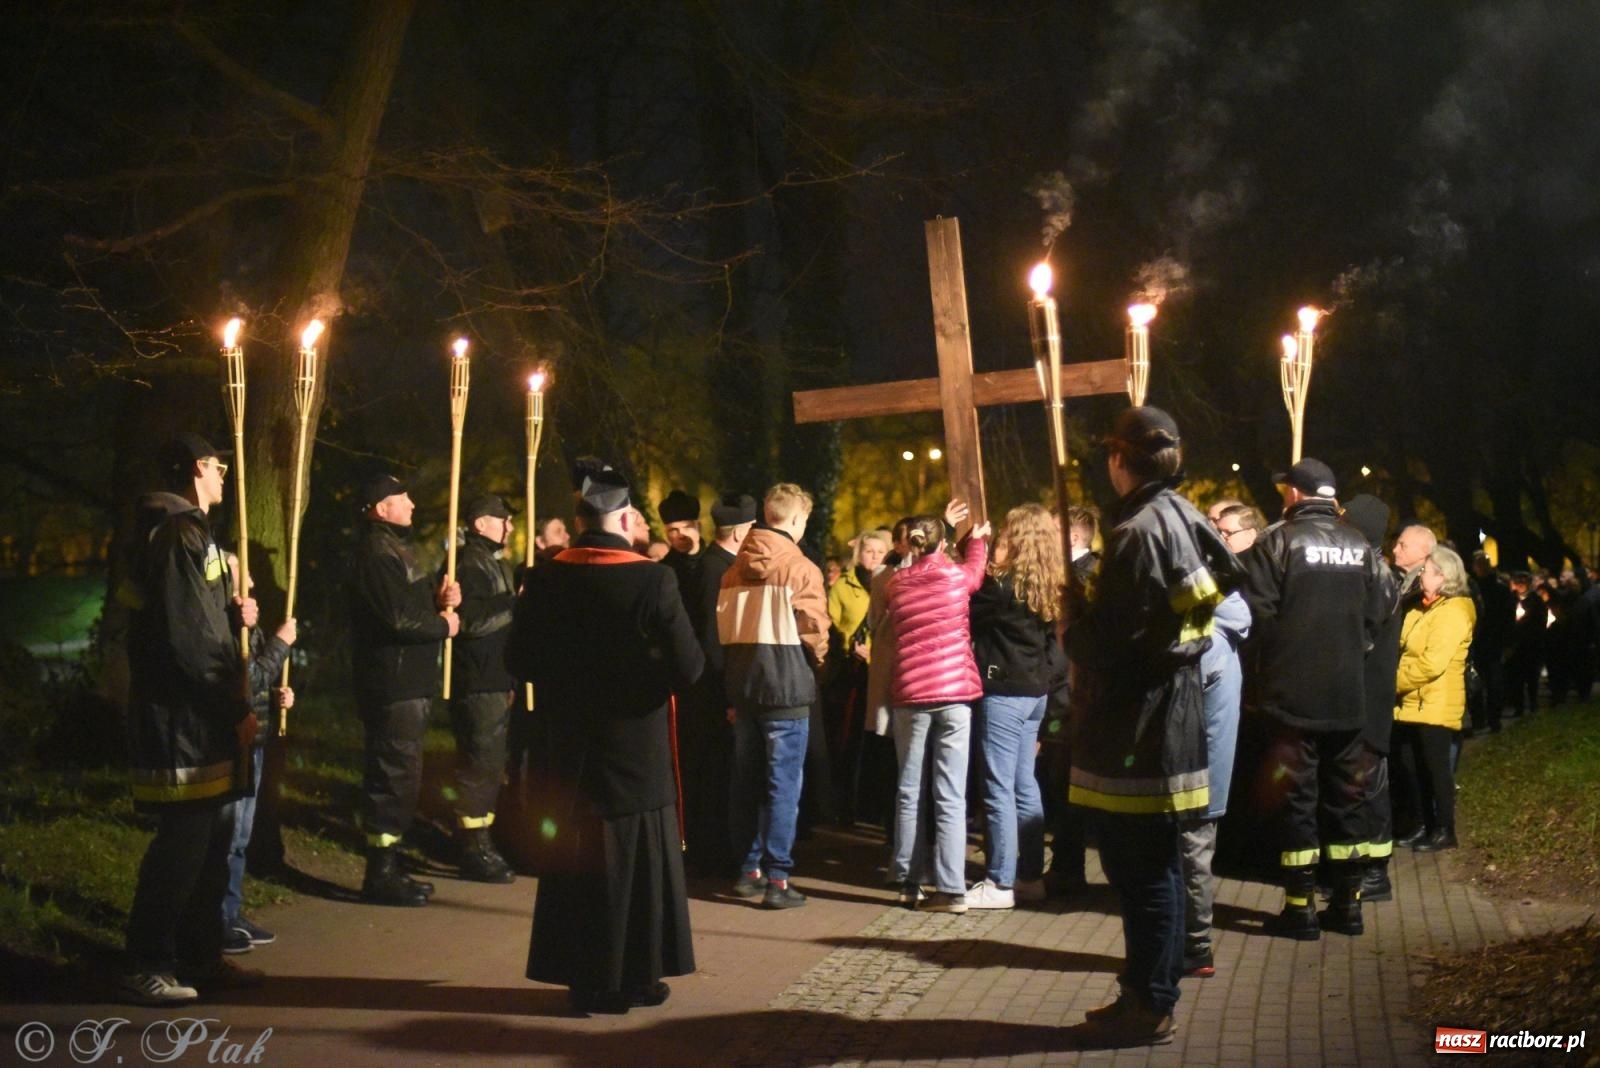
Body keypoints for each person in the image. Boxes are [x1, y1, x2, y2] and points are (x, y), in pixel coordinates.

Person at [1066, 407, 1241, 1047]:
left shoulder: (1139, 529)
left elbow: (1121, 640)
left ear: (1119, 460)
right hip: (1168, 716)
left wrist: (1074, 624)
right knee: (1154, 873)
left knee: (1140, 877)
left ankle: (1153, 1001)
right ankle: (1144, 991)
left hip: (1141, 728)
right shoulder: (1183, 514)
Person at [507, 461, 704, 1014]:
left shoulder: (545, 577)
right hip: (634, 747)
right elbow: (689, 668)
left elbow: (518, 658)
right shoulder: (652, 578)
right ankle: (638, 976)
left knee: (578, 865)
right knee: (637, 866)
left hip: (569, 746)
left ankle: (584, 979)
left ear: (578, 520)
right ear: (622, 517)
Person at [121, 433, 262, 1005]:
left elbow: (193, 618)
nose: (225, 475)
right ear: (198, 468)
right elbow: (189, 639)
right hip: (185, 716)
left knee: (207, 840)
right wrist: (236, 705)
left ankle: (199, 955)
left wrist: (232, 610)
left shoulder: (182, 535)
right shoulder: (180, 534)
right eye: (220, 466)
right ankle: (146, 961)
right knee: (183, 842)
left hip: (196, 714)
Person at [1241, 458, 1382, 941]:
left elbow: (1255, 614)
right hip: (1347, 694)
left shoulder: (1276, 542)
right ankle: (1348, 905)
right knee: (1347, 797)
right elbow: (1380, 607)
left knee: (1297, 799)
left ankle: (1299, 910)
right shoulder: (1361, 544)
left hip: (1292, 696)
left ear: (1295, 495)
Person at [348, 472, 460, 907]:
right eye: (402, 497)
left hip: (407, 681)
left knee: (402, 774)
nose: (412, 503)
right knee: (392, 775)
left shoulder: (393, 549)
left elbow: (406, 608)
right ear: (381, 508)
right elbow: (396, 620)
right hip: (392, 683)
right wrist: (442, 625)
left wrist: (438, 599)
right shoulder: (377, 554)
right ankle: (380, 872)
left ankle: (390, 865)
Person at [718, 482, 829, 909]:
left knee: (745, 783)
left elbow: (724, 632)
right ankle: (778, 878)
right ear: (798, 519)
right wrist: (818, 664)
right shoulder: (801, 569)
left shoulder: (733, 569)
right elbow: (814, 632)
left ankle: (748, 871)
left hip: (745, 688)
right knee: (784, 785)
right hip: (786, 689)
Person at [885, 512, 989, 913]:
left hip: (911, 694)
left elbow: (906, 569)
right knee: (950, 794)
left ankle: (909, 881)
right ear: (943, 544)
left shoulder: (896, 585)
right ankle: (952, 889)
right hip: (955, 695)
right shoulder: (956, 578)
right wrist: (976, 540)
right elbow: (976, 572)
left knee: (909, 790)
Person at [968, 503, 1063, 909]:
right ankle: (1029, 877)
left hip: (1004, 691)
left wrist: (976, 553)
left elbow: (964, 609)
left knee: (998, 786)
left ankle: (1000, 880)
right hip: (1035, 693)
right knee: (1025, 784)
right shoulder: (1049, 586)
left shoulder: (1002, 589)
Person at [1178, 502, 1256, 977]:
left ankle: (1194, 944)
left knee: (1189, 854)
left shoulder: (1203, 641)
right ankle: (1194, 942)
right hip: (1209, 772)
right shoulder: (1225, 632)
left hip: (1192, 770)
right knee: (1196, 853)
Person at [219, 554, 296, 956]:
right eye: (242, 573)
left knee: (242, 835)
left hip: (259, 737)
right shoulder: (229, 627)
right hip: (238, 741)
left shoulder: (249, 625)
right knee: (230, 833)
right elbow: (248, 680)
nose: (250, 579)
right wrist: (282, 643)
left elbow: (262, 683)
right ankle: (218, 919)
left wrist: (280, 695)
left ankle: (232, 911)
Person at [441, 493, 519, 884]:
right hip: (477, 680)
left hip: (495, 677)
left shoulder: (492, 562)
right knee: (479, 762)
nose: (509, 526)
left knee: (491, 763)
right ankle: (473, 845)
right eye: (501, 519)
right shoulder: (468, 565)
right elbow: (468, 623)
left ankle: (481, 836)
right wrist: (513, 605)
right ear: (479, 523)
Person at [679, 493, 757, 874]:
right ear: (741, 531)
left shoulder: (721, 565)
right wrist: (728, 694)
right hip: (713, 692)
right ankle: (712, 854)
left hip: (717, 687)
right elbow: (713, 637)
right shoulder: (716, 571)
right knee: (714, 774)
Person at [1339, 494, 1404, 902]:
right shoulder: (1371, 572)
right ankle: (1357, 866)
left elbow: (1360, 637)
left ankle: (1376, 871)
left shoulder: (1374, 576)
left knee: (1369, 781)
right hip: (1360, 695)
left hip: (1368, 697)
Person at [1393, 546, 1476, 853]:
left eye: (1425, 572)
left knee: (1436, 769)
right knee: (1412, 768)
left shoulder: (1453, 612)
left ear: (1443, 576)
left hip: (1435, 702)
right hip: (1412, 702)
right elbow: (1401, 645)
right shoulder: (1422, 608)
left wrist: (1392, 681)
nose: (1419, 577)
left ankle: (1445, 829)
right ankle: (1424, 826)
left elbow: (1432, 663)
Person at [826, 529, 891, 822]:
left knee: (879, 740)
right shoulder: (843, 586)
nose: (874, 556)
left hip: (882, 669)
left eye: (880, 551)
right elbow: (832, 624)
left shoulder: (891, 582)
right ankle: (845, 805)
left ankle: (874, 804)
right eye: (869, 551)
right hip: (852, 673)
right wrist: (851, 646)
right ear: (859, 553)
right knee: (850, 738)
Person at [1470, 551, 1512, 732]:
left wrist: (1508, 642)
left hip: (1492, 642)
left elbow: (1507, 617)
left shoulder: (1499, 589)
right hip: (1479, 642)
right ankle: (1481, 720)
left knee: (1493, 684)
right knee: (1477, 684)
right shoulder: (1473, 589)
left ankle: (1492, 719)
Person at [658, 489, 704, 627]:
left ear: (699, 527)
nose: (681, 534)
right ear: (666, 534)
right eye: (673, 530)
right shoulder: (663, 570)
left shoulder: (714, 562)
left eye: (687, 527)